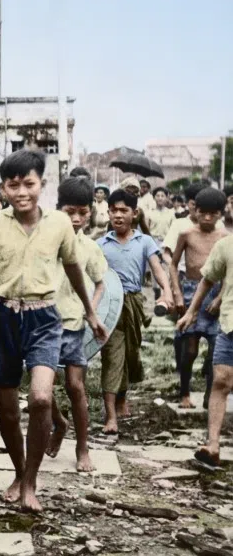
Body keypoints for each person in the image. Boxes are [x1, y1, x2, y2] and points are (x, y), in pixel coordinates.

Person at [0, 150, 108, 514]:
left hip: (45, 319)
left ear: (42, 185)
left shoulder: (60, 225)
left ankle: (31, 481)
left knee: (40, 399)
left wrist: (92, 313)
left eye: (29, 184)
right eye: (13, 185)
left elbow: (73, 269)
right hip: (3, 318)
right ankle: (18, 472)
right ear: (3, 187)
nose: (21, 192)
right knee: (6, 410)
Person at [45, 177, 107, 472]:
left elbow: (100, 284)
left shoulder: (89, 247)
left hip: (74, 325)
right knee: (41, 388)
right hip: (42, 323)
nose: (77, 219)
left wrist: (90, 311)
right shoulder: (44, 239)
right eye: (70, 212)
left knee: (75, 386)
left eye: (83, 213)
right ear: (58, 210)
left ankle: (83, 448)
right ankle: (58, 422)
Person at [98, 190, 173, 434]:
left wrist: (166, 290)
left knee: (130, 353)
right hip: (109, 305)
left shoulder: (144, 242)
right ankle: (111, 416)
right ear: (108, 213)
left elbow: (157, 268)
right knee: (112, 356)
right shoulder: (100, 244)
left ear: (134, 213)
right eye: (114, 210)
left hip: (134, 303)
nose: (118, 215)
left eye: (124, 211)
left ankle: (122, 396)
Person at [176, 225, 233, 470]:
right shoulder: (226, 246)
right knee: (221, 380)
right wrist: (191, 312)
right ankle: (213, 446)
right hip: (230, 324)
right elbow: (207, 279)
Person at [169, 188, 228, 409]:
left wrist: (220, 297)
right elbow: (174, 265)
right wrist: (176, 292)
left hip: (216, 293)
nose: (206, 218)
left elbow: (229, 273)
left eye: (212, 214)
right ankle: (184, 392)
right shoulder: (187, 234)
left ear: (220, 214)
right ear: (195, 210)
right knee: (190, 350)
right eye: (203, 212)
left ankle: (208, 397)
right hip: (191, 291)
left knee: (216, 351)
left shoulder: (224, 238)